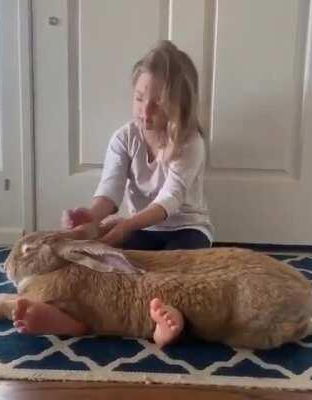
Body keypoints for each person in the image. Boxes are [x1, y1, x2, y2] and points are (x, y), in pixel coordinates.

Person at [13, 41, 213, 347]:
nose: (145, 111)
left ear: (179, 105)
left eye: (157, 103)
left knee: (181, 272)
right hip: (139, 228)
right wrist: (91, 216)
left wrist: (127, 226)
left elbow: (170, 201)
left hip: (186, 229)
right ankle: (77, 319)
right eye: (139, 98)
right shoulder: (124, 138)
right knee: (102, 264)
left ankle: (171, 321)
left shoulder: (191, 143)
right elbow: (110, 189)